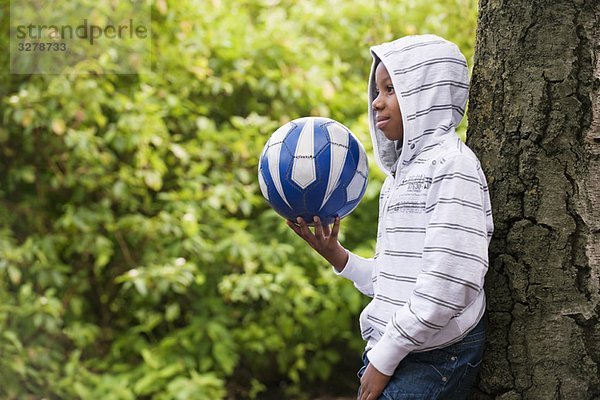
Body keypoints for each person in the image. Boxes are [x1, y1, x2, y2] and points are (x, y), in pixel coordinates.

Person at [287, 34, 494, 399]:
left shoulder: (453, 166)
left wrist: (385, 358)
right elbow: (395, 283)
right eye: (376, 90)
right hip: (396, 350)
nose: (376, 103)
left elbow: (449, 284)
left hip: (436, 356)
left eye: (390, 90)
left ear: (425, 95)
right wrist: (337, 256)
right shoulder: (398, 181)